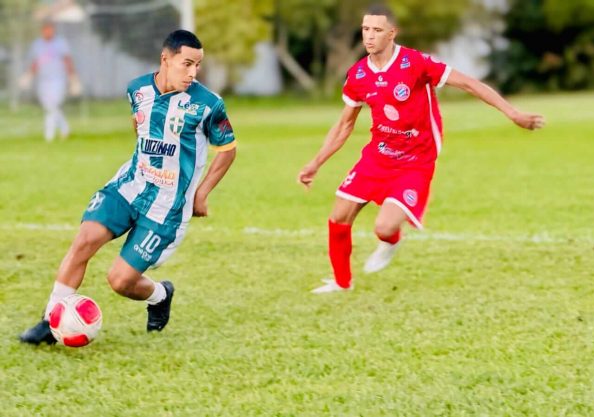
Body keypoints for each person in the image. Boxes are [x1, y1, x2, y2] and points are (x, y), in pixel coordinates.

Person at [297, 5, 545, 294]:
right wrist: (316, 162)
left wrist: (512, 113)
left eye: (377, 30)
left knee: (385, 228)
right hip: (378, 155)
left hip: (416, 159)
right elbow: (344, 126)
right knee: (339, 215)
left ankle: (391, 241)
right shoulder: (358, 75)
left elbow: (469, 83)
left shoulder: (415, 63)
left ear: (392, 33)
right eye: (365, 29)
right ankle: (341, 283)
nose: (369, 36)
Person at [19, 30, 237, 344]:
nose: (192, 72)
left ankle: (160, 295)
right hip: (130, 185)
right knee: (84, 240)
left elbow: (228, 149)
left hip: (167, 206)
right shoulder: (137, 89)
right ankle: (50, 320)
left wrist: (201, 193)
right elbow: (139, 123)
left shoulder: (207, 105)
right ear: (166, 59)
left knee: (120, 281)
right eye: (186, 64)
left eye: (197, 66)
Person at [20, 21, 81, 142]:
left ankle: (49, 136)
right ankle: (65, 129)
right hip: (43, 80)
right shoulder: (37, 44)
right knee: (49, 106)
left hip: (58, 79)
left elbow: (67, 61)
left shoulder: (60, 43)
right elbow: (35, 62)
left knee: (52, 106)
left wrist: (73, 78)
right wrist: (28, 76)